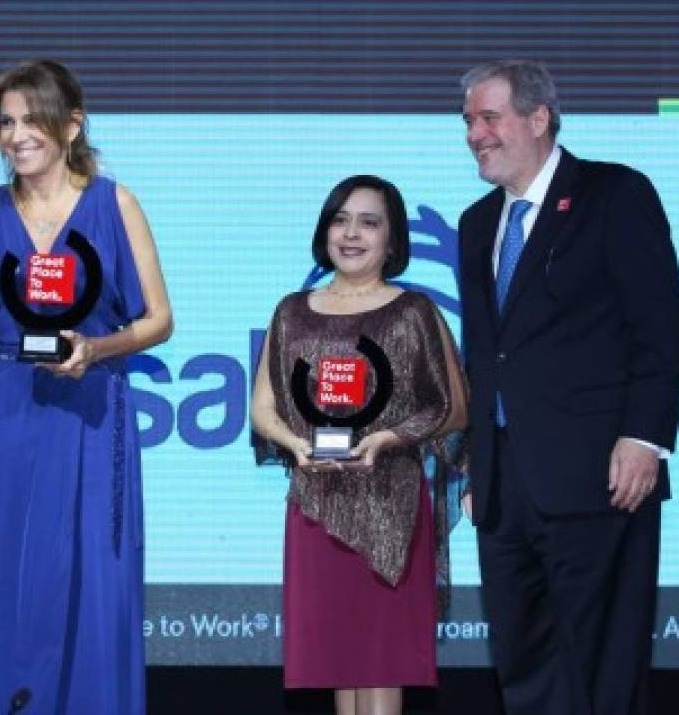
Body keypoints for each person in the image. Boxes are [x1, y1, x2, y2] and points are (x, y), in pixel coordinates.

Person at [0, 60, 172, 714]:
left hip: (93, 406)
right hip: (6, 408)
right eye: (5, 123)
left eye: (31, 119)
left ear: (71, 125)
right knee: (10, 586)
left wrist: (96, 347)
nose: (16, 135)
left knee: (97, 586)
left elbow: (159, 319)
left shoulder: (113, 201)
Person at [457, 59, 679, 715]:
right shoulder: (476, 224)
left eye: (489, 117)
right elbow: (485, 356)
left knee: (603, 667)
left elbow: (661, 331)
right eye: (468, 120)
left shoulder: (614, 194)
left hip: (602, 477)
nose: (475, 133)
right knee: (523, 663)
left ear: (538, 117)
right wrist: (477, 463)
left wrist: (645, 437)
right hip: (503, 489)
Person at [251, 174, 466, 715]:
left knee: (380, 663)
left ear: (391, 241)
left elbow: (452, 407)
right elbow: (263, 408)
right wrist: (294, 445)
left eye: (369, 222)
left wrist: (387, 438)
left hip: (390, 504)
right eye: (340, 219)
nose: (351, 233)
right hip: (315, 503)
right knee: (338, 663)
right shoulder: (292, 310)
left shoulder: (413, 312)